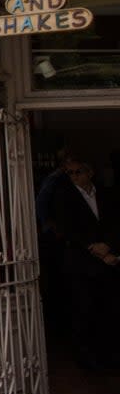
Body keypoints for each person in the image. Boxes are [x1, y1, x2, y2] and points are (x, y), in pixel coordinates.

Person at [54, 157, 120, 370]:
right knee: (84, 310)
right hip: (82, 262)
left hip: (107, 262)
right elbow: (68, 230)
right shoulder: (64, 198)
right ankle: (88, 361)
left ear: (89, 173)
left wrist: (109, 247)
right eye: (70, 173)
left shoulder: (105, 194)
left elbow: (114, 222)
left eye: (78, 172)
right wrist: (95, 248)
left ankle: (110, 357)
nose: (74, 177)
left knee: (108, 309)